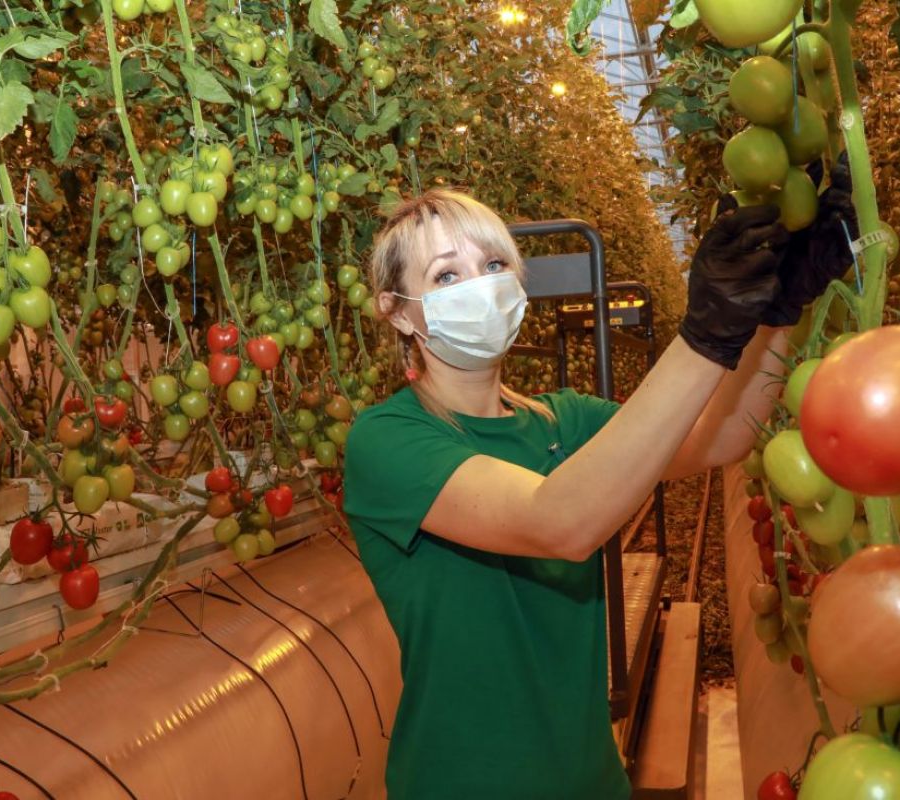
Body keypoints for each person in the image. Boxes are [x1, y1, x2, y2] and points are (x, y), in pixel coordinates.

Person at [342, 169, 855, 799]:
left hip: (592, 778)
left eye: (495, 263)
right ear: (396, 314)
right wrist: (706, 335)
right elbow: (559, 522)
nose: (480, 286)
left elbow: (721, 437)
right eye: (446, 276)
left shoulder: (564, 419)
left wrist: (779, 313)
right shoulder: (387, 440)